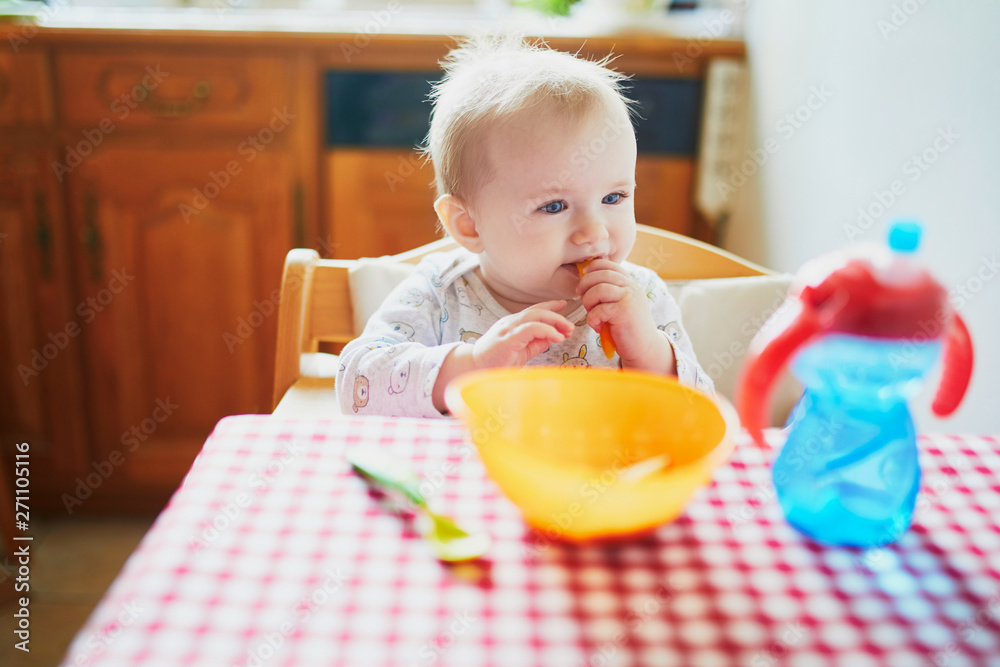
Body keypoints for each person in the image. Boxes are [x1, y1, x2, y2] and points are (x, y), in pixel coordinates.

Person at [336, 34, 714, 417]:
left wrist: (648, 351)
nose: (594, 232)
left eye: (613, 198)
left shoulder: (641, 298)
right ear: (469, 225)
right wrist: (471, 366)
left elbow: (700, 415)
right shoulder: (439, 294)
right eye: (554, 206)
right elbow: (357, 387)